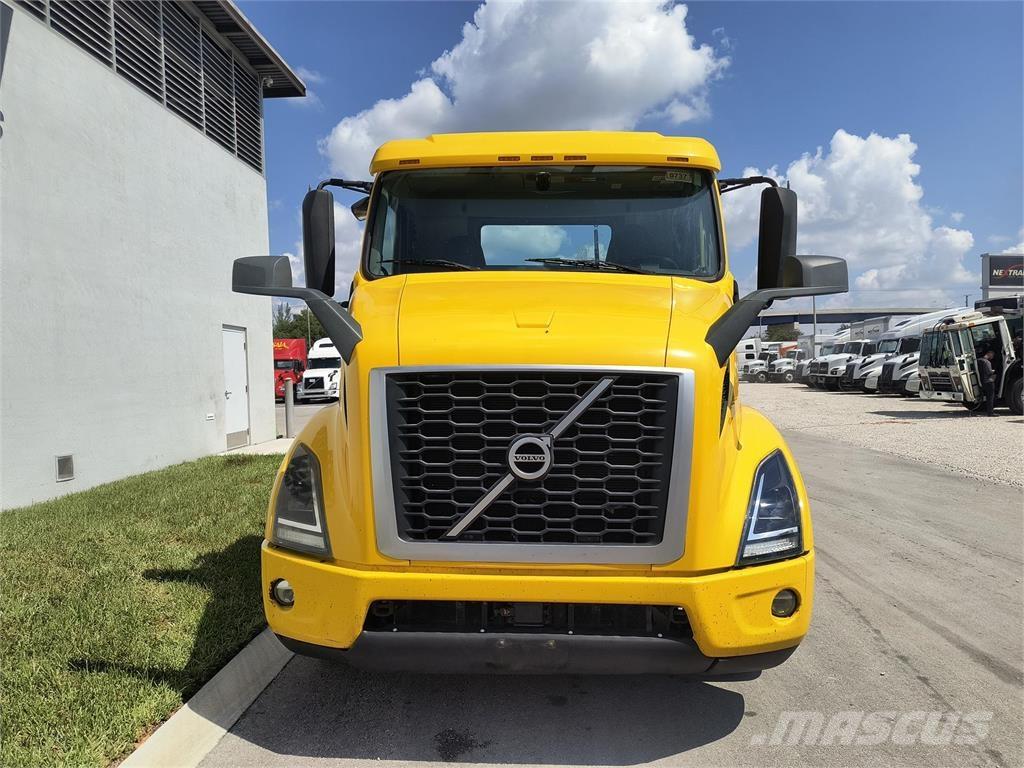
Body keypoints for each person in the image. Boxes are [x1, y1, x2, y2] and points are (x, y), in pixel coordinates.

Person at [976, 348, 997, 417]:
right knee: (990, 398)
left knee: (986, 397)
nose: (992, 357)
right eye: (992, 355)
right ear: (989, 354)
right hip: (989, 382)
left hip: (982, 382)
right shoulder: (987, 362)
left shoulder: (978, 360)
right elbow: (989, 372)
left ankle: (988, 411)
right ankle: (990, 412)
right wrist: (993, 371)